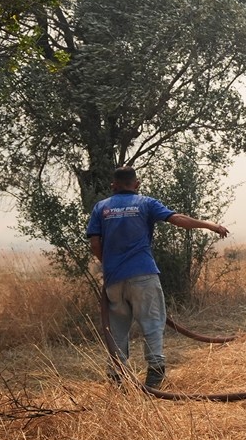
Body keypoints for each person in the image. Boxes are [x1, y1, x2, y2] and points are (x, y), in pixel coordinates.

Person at [86, 165, 229, 389]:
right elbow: (178, 219)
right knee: (152, 323)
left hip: (114, 279)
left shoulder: (100, 207)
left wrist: (111, 264)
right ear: (137, 184)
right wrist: (209, 224)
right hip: (143, 275)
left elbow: (95, 243)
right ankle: (154, 375)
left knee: (116, 329)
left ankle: (117, 376)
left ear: (113, 185)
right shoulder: (145, 203)